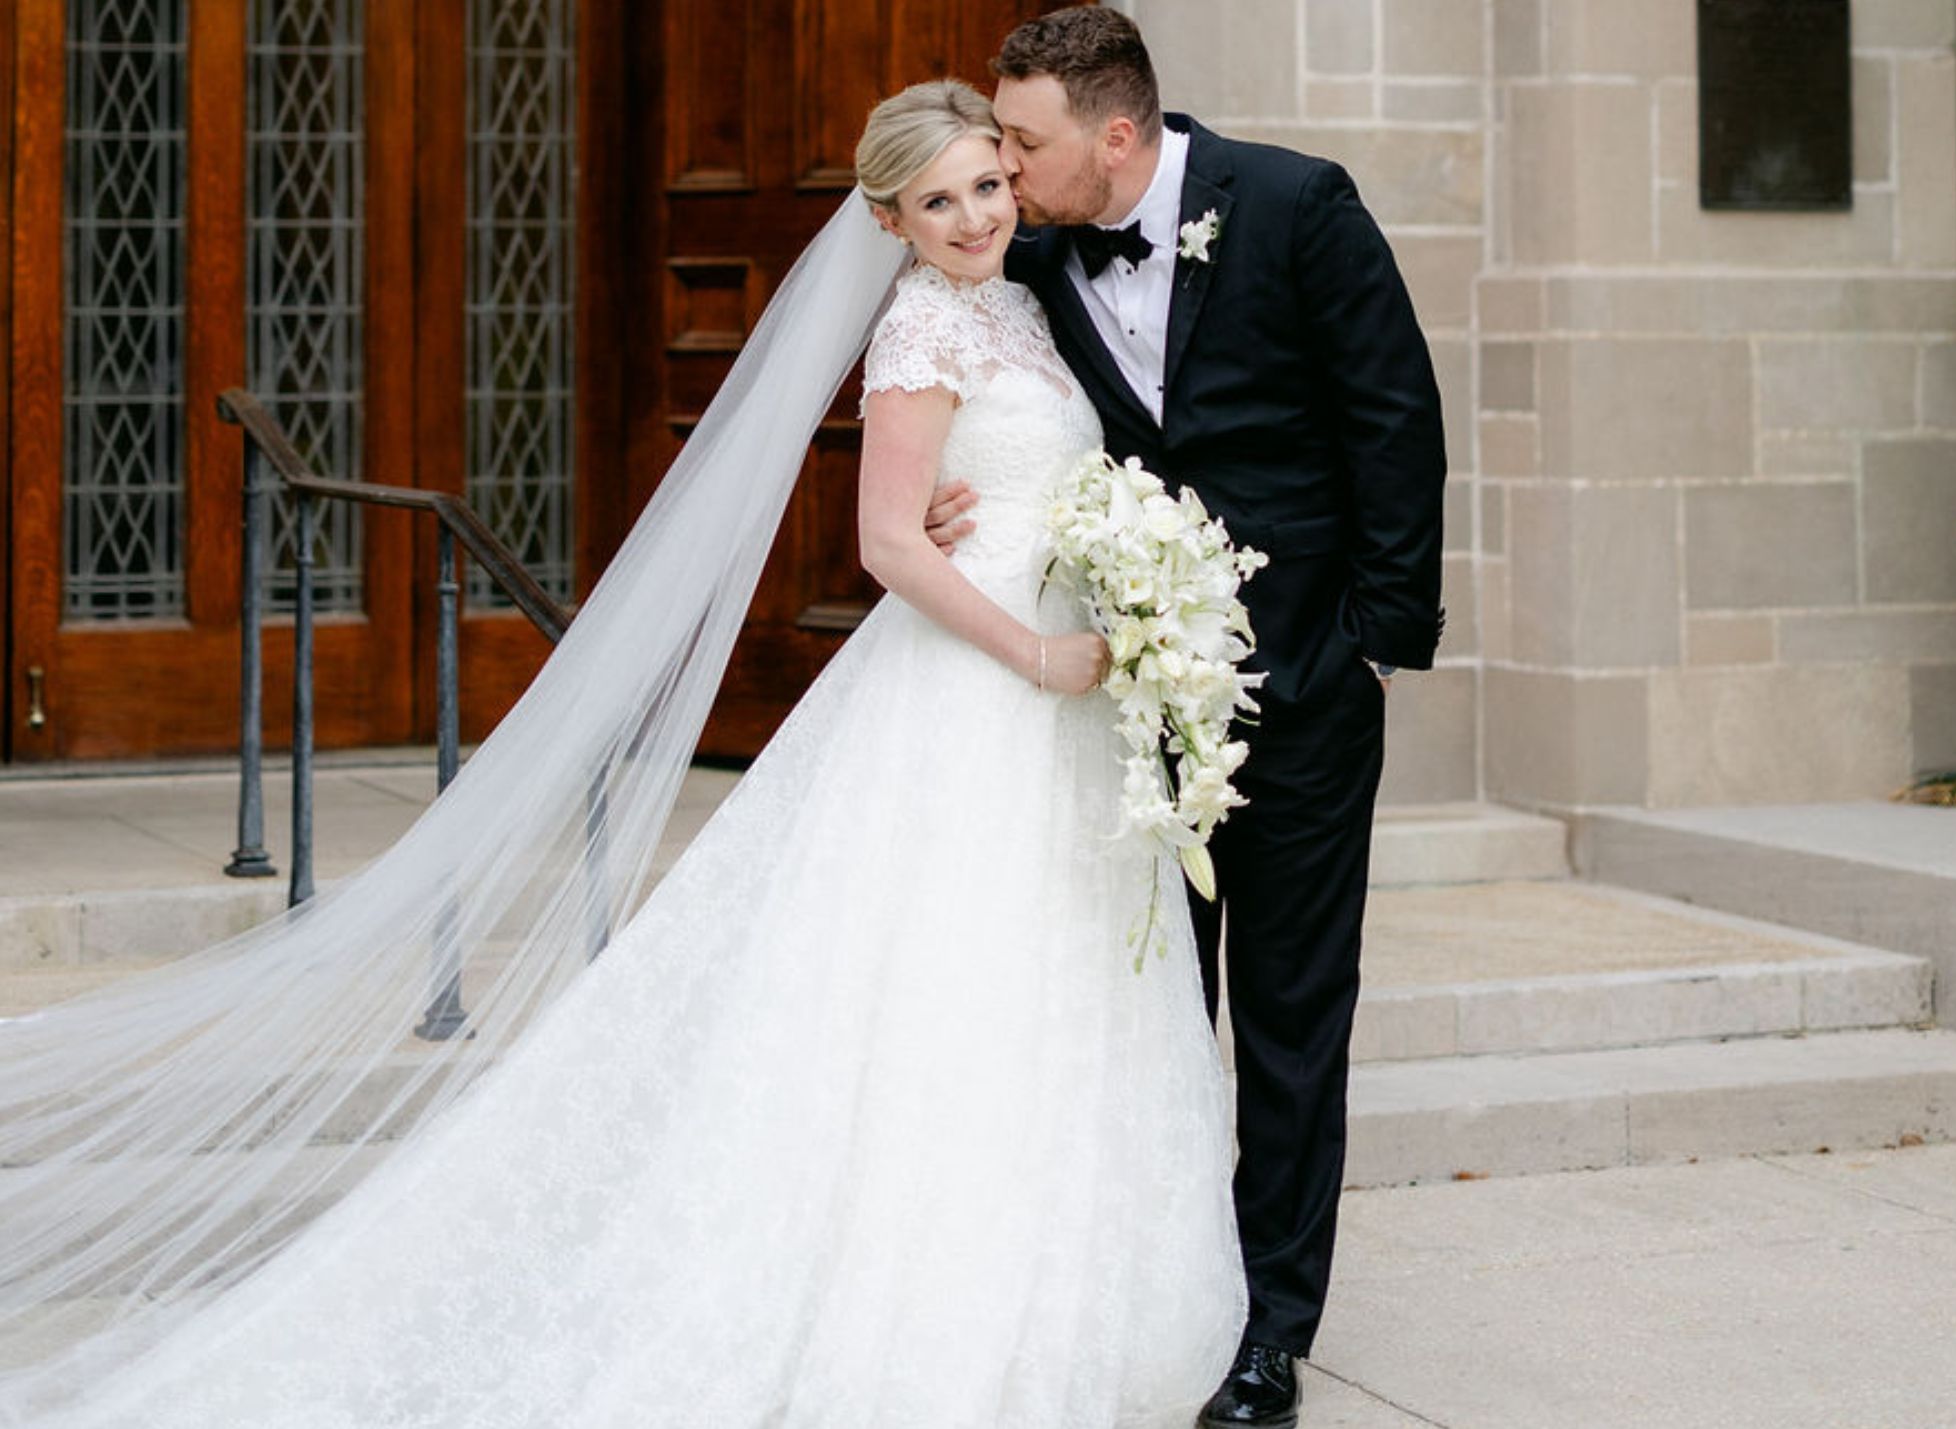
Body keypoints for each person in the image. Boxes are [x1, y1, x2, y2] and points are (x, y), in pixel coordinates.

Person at [2, 82, 1245, 1429]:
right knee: (938, 989)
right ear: (887, 218)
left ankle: (1068, 1284)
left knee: (1047, 982)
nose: (971, 217)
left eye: (986, 187)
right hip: (988, 682)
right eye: (935, 201)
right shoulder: (926, 324)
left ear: (1017, 176)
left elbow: (1009, 478)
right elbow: (887, 544)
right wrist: (1035, 650)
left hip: (1059, 686)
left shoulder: (1023, 295)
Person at [923, 11, 1448, 1427]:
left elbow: (1393, 417)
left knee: (1287, 1018)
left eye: (1022, 145)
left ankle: (1271, 1333)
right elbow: (951, 386)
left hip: (1305, 692)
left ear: (1114, 133)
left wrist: (1376, 649)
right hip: (1117, 701)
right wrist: (936, 499)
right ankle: (1144, 1291)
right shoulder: (1027, 255)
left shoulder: (1294, 206)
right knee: (1139, 1009)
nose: (1005, 175)